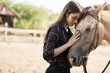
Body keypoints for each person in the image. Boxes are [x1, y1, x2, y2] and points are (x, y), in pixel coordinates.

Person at [43, 0, 83, 73]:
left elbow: (67, 55)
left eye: (78, 19)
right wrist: (68, 44)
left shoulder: (68, 32)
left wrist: (81, 60)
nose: (76, 22)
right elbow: (47, 54)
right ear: (66, 13)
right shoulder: (55, 29)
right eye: (74, 17)